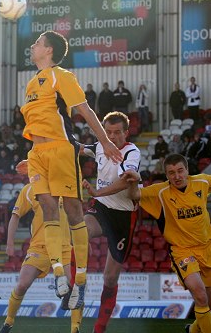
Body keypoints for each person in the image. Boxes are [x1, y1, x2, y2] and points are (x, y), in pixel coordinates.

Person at [20, 31, 122, 309]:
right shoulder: (30, 83)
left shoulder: (61, 76)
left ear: (49, 50)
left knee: (74, 212)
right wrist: (28, 159)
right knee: (48, 208)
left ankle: (80, 279)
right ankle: (57, 273)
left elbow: (84, 110)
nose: (33, 45)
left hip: (60, 150)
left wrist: (105, 142)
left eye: (38, 42)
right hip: (37, 153)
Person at [123, 154, 211, 333]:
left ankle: (192, 330)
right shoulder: (160, 192)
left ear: (187, 170)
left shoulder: (202, 182)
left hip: (207, 249)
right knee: (200, 296)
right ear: (166, 175)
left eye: (179, 171)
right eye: (171, 173)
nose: (176, 176)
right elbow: (134, 194)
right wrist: (132, 181)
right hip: (182, 251)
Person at [81, 111, 141, 333]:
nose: (112, 136)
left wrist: (98, 190)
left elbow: (126, 181)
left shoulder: (132, 152)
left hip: (123, 216)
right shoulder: (99, 146)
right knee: (80, 230)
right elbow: (77, 147)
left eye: (117, 132)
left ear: (126, 132)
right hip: (101, 207)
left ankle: (100, 328)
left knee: (110, 277)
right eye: (108, 132)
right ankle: (72, 287)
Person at [0, 183, 81, 333]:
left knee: (76, 287)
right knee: (22, 284)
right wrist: (10, 242)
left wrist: (83, 240)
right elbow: (15, 216)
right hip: (40, 247)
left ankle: (75, 328)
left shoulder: (63, 184)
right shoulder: (29, 189)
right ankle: (8, 322)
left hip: (64, 248)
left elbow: (76, 216)